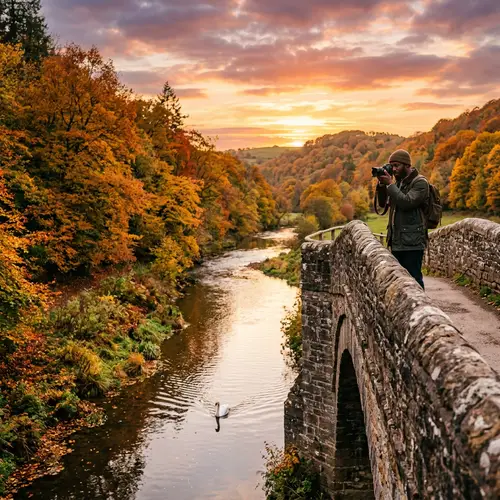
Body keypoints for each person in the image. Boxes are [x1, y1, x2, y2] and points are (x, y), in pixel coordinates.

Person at [376, 149, 429, 289]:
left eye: (396, 166)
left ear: (407, 165)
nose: (393, 169)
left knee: (414, 278)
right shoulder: (398, 183)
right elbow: (382, 204)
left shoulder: (420, 183)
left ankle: (420, 308)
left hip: (412, 241)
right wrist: (382, 185)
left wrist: (390, 185)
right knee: (399, 280)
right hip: (397, 240)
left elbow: (407, 202)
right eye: (391, 166)